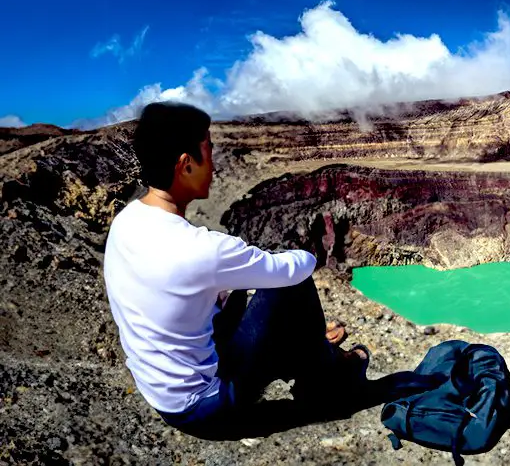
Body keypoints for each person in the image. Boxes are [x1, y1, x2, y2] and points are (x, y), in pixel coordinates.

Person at [103, 101, 371, 440]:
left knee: (247, 293)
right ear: (185, 165)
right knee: (292, 287)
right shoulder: (202, 248)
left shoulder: (127, 220)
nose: (214, 166)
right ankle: (326, 383)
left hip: (160, 391)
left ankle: (314, 353)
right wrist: (309, 252)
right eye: (209, 152)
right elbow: (292, 269)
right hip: (204, 407)